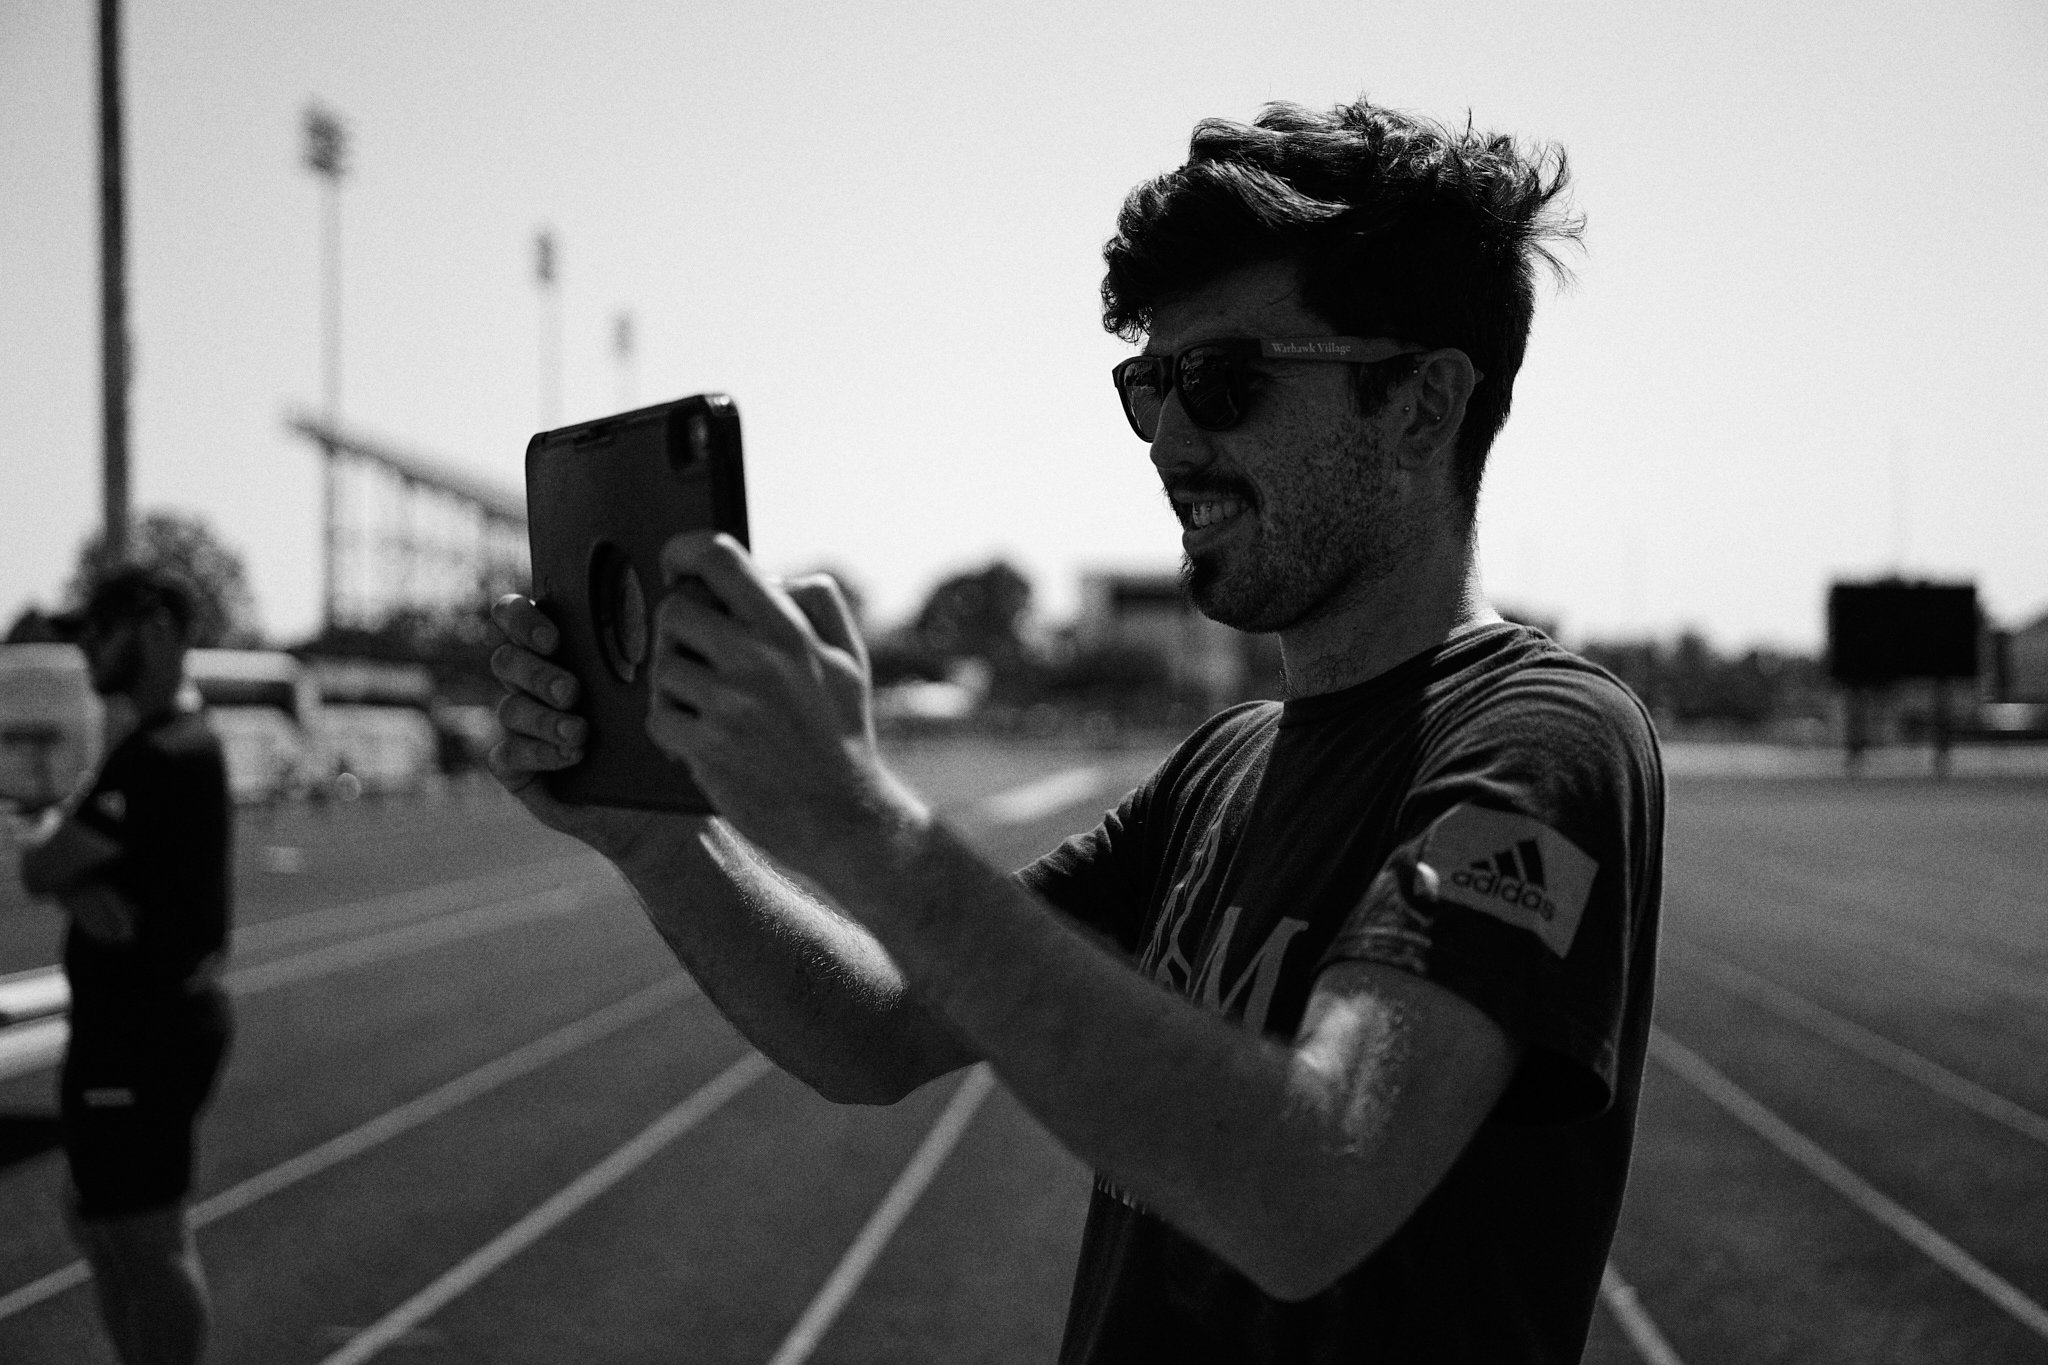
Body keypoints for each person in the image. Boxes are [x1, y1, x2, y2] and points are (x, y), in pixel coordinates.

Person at [489, 97, 1662, 1363]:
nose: (1168, 441)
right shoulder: (1223, 767)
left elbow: (1310, 1187)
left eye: (1221, 381)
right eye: (1148, 386)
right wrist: (658, 841)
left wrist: (851, 814)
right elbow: (870, 1031)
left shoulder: (1545, 740)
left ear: (1421, 405)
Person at [13, 565, 233, 1365]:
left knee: (146, 1237)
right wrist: (76, 883)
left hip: (145, 1032)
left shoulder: (162, 754)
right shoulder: (161, 743)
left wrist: (61, 871)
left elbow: (39, 862)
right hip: (133, 1026)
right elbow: (56, 863)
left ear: (159, 629)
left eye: (103, 630)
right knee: (99, 1219)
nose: (90, 648)